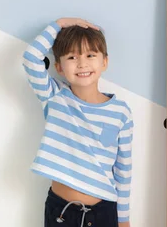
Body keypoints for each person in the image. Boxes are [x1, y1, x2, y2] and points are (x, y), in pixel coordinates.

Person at [22, 17, 133, 227]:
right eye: (72, 57)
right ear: (59, 67)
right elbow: (31, 58)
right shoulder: (55, 97)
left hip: (103, 214)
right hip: (61, 212)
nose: (82, 63)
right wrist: (60, 24)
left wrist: (124, 219)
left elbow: (123, 171)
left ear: (104, 62)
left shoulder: (121, 112)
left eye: (91, 55)